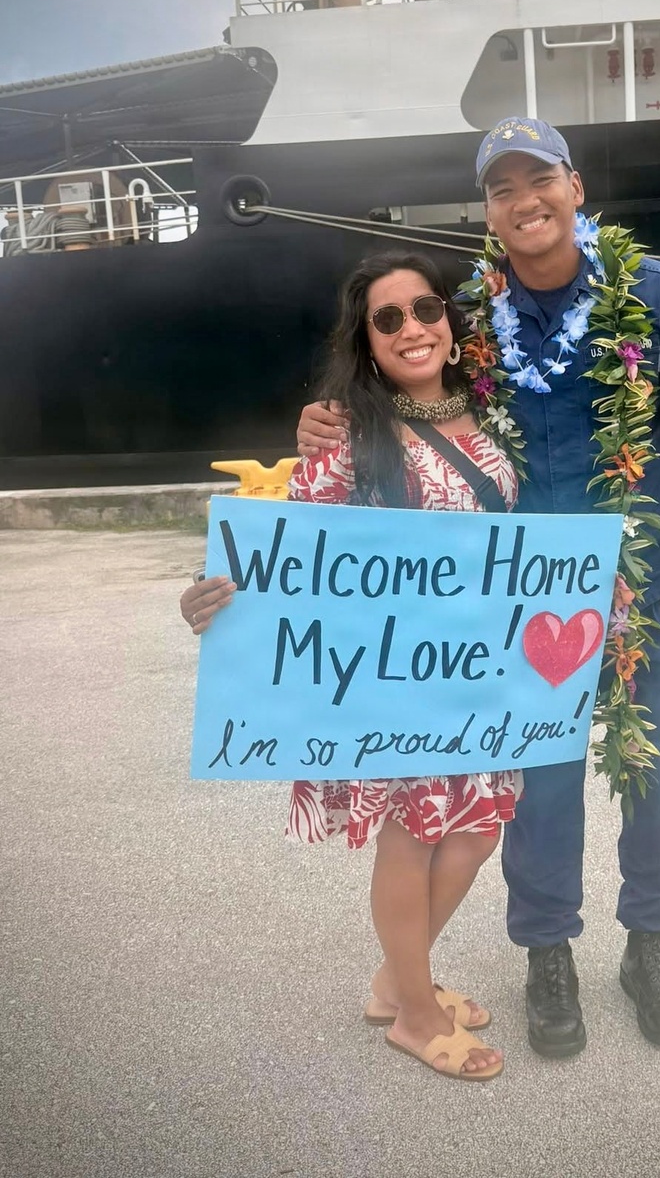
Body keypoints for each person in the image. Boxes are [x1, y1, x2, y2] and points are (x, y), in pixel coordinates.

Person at [298, 118, 660, 1059]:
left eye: (539, 177)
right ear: (487, 212)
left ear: (575, 187)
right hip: (525, 607)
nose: (523, 199)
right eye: (502, 188)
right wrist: (328, 424)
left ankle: (651, 947)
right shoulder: (471, 313)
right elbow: (412, 396)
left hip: (649, 590)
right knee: (538, 790)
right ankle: (547, 953)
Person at [181, 251, 520, 1082]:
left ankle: (390, 980)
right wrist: (211, 596)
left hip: (481, 670)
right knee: (415, 834)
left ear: (451, 320)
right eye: (388, 317)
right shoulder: (347, 436)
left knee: (478, 829)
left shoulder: (488, 415)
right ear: (366, 340)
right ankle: (413, 1011)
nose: (413, 327)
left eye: (426, 308)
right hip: (391, 680)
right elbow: (294, 554)